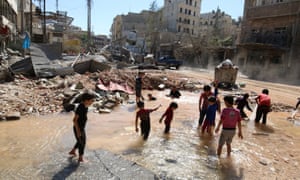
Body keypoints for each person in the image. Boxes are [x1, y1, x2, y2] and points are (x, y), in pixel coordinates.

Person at [69, 92, 95, 163]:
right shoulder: (81, 107)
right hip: (78, 128)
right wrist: (78, 131)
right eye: (91, 100)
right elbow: (74, 120)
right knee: (82, 143)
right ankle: (81, 158)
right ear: (86, 100)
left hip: (81, 127)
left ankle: (73, 151)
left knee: (80, 140)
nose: (92, 102)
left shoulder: (85, 106)